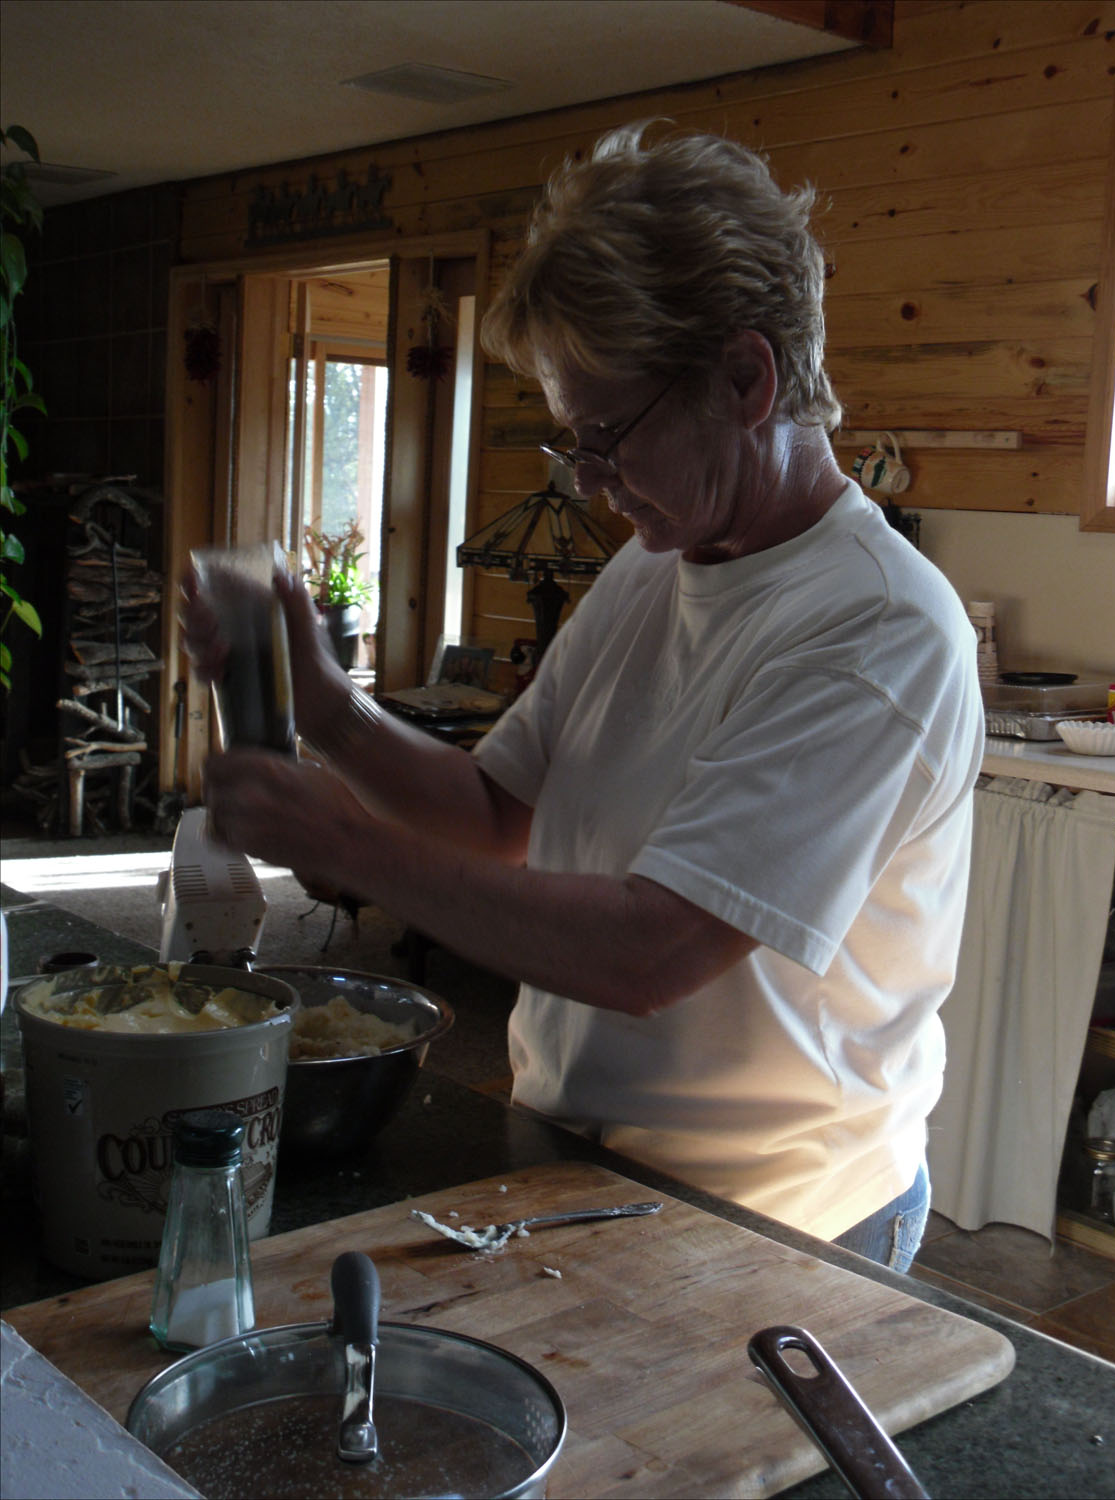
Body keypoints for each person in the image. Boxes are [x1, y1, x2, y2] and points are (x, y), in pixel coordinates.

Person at [187, 123, 983, 1272]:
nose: (597, 487)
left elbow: (649, 953)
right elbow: (495, 812)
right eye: (577, 448)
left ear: (748, 378)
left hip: (778, 1221)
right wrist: (324, 706)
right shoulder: (657, 562)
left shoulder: (875, 626)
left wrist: (344, 842)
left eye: (608, 439)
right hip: (584, 1173)